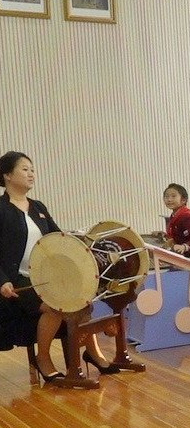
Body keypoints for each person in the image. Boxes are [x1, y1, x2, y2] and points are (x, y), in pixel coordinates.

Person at [0, 151, 115, 381]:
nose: (31, 173)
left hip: (48, 276)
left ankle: (92, 353)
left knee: (81, 302)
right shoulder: (1, 209)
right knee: (55, 306)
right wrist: (2, 280)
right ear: (7, 175)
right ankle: (44, 359)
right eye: (25, 169)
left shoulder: (38, 206)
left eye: (32, 169)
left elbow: (58, 238)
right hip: (18, 280)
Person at [162, 183, 190, 256]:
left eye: (173, 196)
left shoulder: (187, 217)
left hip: (189, 258)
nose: (169, 199)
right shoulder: (174, 215)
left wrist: (184, 247)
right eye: (166, 196)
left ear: (183, 200)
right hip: (179, 256)